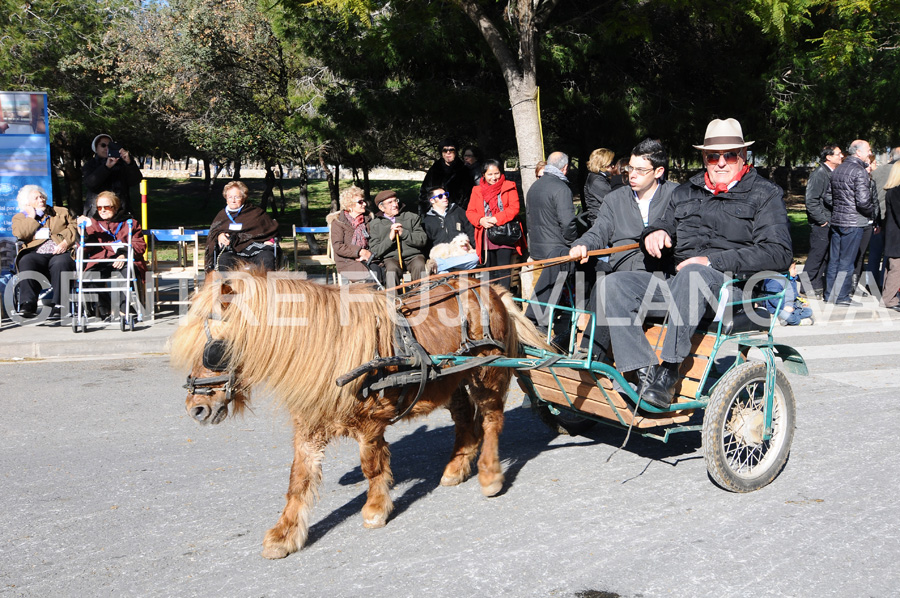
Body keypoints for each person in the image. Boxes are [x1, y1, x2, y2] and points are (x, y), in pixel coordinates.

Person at [596, 118, 792, 409]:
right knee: (613, 284)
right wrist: (655, 233)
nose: (721, 162)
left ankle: (669, 372)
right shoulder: (685, 192)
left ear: (744, 156)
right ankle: (642, 371)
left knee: (695, 272)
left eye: (730, 155)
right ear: (704, 157)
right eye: (713, 156)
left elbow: (779, 253)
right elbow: (662, 225)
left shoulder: (765, 194)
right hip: (681, 287)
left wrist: (712, 260)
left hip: (733, 289)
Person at [569, 139, 678, 357]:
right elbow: (599, 231)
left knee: (608, 287)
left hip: (660, 282)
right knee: (605, 283)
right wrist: (582, 244)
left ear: (658, 171)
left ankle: (591, 356)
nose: (631, 174)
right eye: (630, 168)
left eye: (640, 170)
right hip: (621, 276)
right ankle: (589, 356)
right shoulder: (614, 198)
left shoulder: (677, 195)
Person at [524, 151, 579, 328]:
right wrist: (574, 242)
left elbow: (529, 219)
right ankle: (547, 332)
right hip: (555, 251)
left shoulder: (535, 186)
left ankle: (537, 329)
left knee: (540, 292)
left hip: (537, 249)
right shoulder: (561, 188)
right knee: (553, 295)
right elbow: (568, 223)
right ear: (565, 168)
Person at [75, 191, 147, 319]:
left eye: (106, 207)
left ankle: (124, 309)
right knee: (89, 276)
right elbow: (86, 248)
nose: (102, 211)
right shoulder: (93, 223)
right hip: (101, 259)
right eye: (99, 207)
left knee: (127, 273)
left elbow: (140, 245)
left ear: (116, 207)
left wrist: (124, 255)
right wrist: (82, 233)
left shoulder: (130, 223)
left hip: (125, 259)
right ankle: (106, 309)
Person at [11, 185, 78, 319]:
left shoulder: (61, 212)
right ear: (27, 203)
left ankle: (60, 304)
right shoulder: (20, 217)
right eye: (36, 198)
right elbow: (22, 234)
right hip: (36, 253)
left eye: (41, 196)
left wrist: (65, 241)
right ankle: (28, 303)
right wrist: (31, 216)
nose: (41, 199)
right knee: (26, 260)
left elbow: (74, 227)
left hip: (60, 250)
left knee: (62, 262)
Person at [826, 139, 874, 305]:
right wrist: (871, 213)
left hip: (838, 220)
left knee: (834, 260)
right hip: (853, 222)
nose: (870, 153)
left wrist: (841, 207)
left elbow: (829, 196)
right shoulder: (859, 171)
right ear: (858, 152)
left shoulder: (838, 170)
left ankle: (830, 294)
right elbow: (863, 201)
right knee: (847, 261)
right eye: (868, 150)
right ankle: (841, 296)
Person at [466, 160, 525, 289]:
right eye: (490, 174)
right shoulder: (477, 190)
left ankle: (504, 301)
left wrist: (496, 219)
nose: (494, 177)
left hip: (505, 232)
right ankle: (492, 302)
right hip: (486, 235)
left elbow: (514, 208)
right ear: (484, 175)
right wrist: (481, 220)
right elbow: (470, 212)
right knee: (489, 271)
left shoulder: (509, 186)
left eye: (496, 173)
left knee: (504, 270)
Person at [205, 181, 279, 273]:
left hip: (257, 251)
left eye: (237, 197)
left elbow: (272, 230)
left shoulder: (256, 213)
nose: (233, 200)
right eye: (230, 197)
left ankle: (264, 287)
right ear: (226, 198)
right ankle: (229, 287)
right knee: (223, 260)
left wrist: (270, 240)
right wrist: (219, 236)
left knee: (267, 258)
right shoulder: (222, 215)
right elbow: (213, 232)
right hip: (233, 252)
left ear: (244, 197)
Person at [802, 144, 842, 298]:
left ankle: (816, 286)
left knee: (825, 255)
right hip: (821, 223)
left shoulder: (831, 172)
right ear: (829, 157)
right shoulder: (820, 173)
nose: (841, 156)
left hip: (829, 221)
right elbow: (811, 200)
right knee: (816, 255)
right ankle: (805, 288)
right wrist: (822, 220)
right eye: (838, 154)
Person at [369, 190, 428, 289]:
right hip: (391, 258)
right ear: (381, 207)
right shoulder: (376, 224)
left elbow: (422, 240)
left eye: (395, 201)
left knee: (419, 265)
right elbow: (375, 250)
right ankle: (393, 301)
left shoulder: (411, 217)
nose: (395, 204)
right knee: (391, 270)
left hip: (413, 256)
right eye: (390, 202)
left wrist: (403, 233)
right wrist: (390, 238)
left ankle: (420, 298)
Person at [82, 134, 143, 218]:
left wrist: (129, 163)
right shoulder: (90, 164)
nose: (106, 148)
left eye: (110, 145)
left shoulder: (121, 164)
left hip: (120, 212)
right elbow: (91, 184)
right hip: (97, 213)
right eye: (103, 145)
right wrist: (106, 167)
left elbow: (135, 180)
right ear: (96, 148)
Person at [327, 185, 376, 283]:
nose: (365, 204)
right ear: (349, 205)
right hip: (348, 261)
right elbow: (338, 246)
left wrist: (368, 254)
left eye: (364, 201)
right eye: (360, 202)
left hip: (369, 257)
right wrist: (360, 251)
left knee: (386, 270)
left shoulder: (368, 220)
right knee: (372, 275)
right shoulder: (338, 222)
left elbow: (374, 240)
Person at [419, 138, 474, 213]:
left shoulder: (463, 170)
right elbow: (424, 192)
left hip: (457, 213)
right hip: (436, 213)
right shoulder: (434, 169)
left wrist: (460, 213)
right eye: (445, 150)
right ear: (441, 152)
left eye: (451, 150)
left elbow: (468, 196)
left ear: (456, 152)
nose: (448, 153)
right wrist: (426, 211)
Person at [881, 161, 900, 311]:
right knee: (896, 268)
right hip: (897, 237)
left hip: (893, 235)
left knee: (892, 267)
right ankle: (889, 299)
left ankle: (888, 296)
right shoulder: (897, 192)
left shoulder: (892, 191)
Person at [582, 148, 616, 226]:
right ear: (603, 164)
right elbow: (612, 200)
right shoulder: (596, 181)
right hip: (600, 223)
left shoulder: (598, 177)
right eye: (611, 163)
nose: (613, 166)